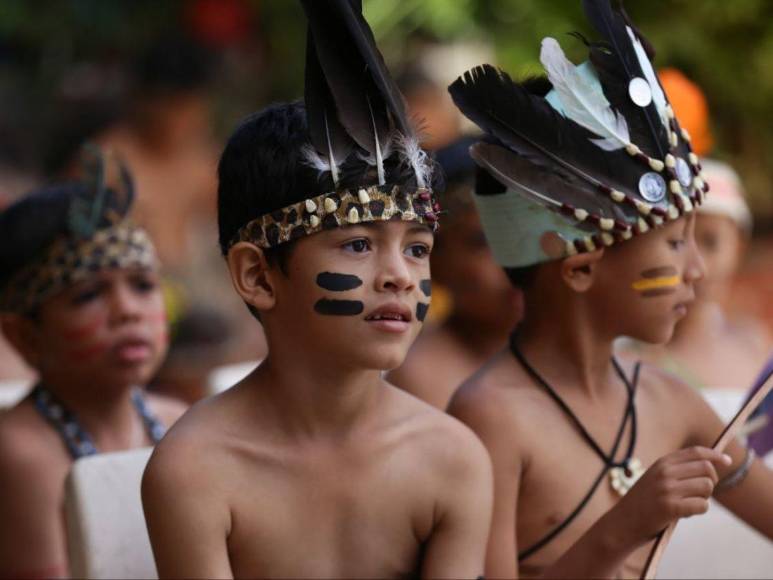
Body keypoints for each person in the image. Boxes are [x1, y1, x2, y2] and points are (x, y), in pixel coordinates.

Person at [141, 2, 492, 578]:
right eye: (357, 244)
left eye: (417, 248)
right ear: (258, 275)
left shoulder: (452, 459)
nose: (400, 276)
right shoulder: (196, 470)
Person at [446, 0, 773, 577]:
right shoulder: (491, 417)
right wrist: (623, 527)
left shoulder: (670, 403)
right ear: (579, 268)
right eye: (675, 244)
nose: (696, 271)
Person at [0, 149, 186, 577]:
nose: (127, 311)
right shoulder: (22, 454)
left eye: (142, 285)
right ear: (25, 335)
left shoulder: (181, 424)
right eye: (88, 295)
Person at [389, 138, 522, 409]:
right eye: (482, 242)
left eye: (524, 234)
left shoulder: (595, 354)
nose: (515, 258)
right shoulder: (420, 377)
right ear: (433, 261)